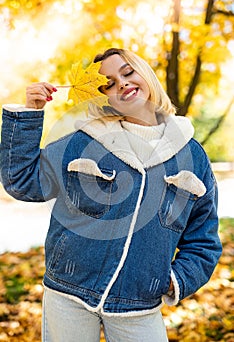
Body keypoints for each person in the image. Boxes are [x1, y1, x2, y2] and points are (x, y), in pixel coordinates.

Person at [0, 48, 222, 342]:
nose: (122, 83)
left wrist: (173, 280)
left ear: (145, 73)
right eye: (109, 83)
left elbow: (203, 240)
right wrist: (31, 113)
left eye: (128, 73)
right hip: (68, 294)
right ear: (103, 97)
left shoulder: (192, 156)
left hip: (139, 305)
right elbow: (22, 181)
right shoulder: (85, 141)